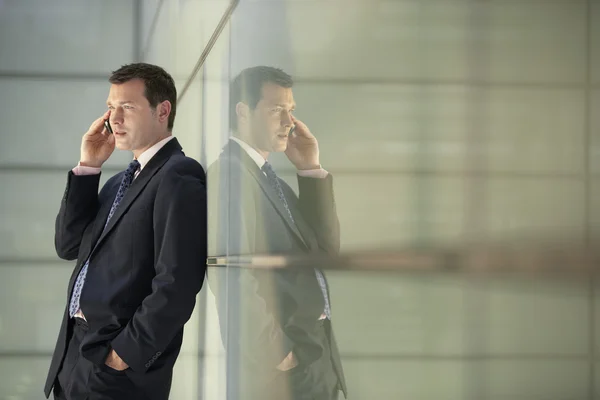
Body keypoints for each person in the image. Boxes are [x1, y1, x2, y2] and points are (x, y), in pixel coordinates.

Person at [44, 63, 207, 400]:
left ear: (162, 111)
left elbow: (177, 281)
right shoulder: (121, 181)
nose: (114, 119)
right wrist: (89, 167)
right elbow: (68, 245)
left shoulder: (178, 175)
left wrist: (125, 355)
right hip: (74, 356)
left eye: (127, 107)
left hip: (116, 370)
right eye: (110, 107)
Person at [208, 66, 347, 400]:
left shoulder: (272, 182)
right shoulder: (230, 176)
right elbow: (230, 274)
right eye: (276, 110)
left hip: (311, 357)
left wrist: (310, 169)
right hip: (282, 370)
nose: (288, 122)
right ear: (243, 111)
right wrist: (280, 356)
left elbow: (326, 252)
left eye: (291, 111)